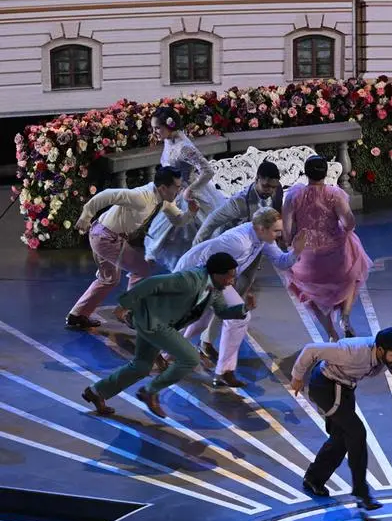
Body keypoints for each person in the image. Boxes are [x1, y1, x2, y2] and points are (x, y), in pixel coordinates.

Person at [81, 253, 252, 419]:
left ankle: (96, 392)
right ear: (217, 273)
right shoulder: (190, 280)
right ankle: (149, 392)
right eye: (229, 276)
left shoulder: (215, 290)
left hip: (159, 322)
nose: (232, 281)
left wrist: (244, 308)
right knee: (191, 358)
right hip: (154, 321)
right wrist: (123, 305)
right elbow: (153, 283)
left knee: (141, 366)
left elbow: (222, 312)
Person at [290, 327, 392, 511]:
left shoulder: (389, 354)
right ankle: (361, 491)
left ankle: (313, 479)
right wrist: (297, 376)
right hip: (326, 387)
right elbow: (311, 349)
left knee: (342, 439)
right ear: (380, 349)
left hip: (344, 388)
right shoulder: (351, 351)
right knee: (356, 432)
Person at [175, 208, 304, 388]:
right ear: (261, 228)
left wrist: (296, 251)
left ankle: (166, 354)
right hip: (197, 274)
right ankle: (224, 371)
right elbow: (205, 262)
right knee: (237, 317)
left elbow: (282, 262)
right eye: (276, 231)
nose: (279, 235)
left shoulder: (262, 239)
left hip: (214, 277)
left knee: (201, 322)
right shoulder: (237, 242)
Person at [67, 166, 197, 330]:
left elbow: (178, 220)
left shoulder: (164, 200)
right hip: (105, 238)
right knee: (141, 268)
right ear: (163, 188)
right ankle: (126, 310)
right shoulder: (141, 197)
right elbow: (107, 195)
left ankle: (77, 314)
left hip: (103, 235)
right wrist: (86, 216)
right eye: (177, 187)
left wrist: (190, 213)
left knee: (109, 280)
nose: (179, 190)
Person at [283, 155, 372, 340]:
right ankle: (345, 317)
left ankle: (332, 334)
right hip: (336, 257)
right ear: (326, 173)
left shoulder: (293, 196)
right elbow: (349, 224)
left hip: (307, 260)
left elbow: (287, 232)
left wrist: (294, 246)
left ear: (306, 173)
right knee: (353, 257)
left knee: (307, 294)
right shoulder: (334, 194)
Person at [144, 105, 226, 271]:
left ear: (169, 125)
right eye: (154, 128)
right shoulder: (168, 141)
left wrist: (190, 189)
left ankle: (193, 269)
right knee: (167, 233)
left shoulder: (184, 147)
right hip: (174, 193)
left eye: (158, 128)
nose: (155, 132)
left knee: (189, 234)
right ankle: (182, 270)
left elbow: (208, 171)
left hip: (188, 194)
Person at [194, 160, 283, 244]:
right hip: (236, 243)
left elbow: (277, 212)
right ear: (256, 179)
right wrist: (196, 249)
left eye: (273, 187)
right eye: (266, 186)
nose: (270, 190)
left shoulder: (278, 190)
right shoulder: (238, 202)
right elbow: (211, 222)